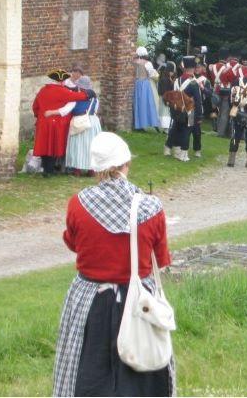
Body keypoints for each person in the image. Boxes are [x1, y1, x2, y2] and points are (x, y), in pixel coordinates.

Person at [53, 132, 174, 397]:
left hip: (90, 300)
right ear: (126, 164)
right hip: (139, 301)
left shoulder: (78, 204)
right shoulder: (151, 207)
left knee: (87, 375)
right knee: (143, 381)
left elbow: (74, 243)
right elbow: (161, 258)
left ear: (96, 169)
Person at [33, 69, 88, 177]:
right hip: (56, 123)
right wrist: (88, 93)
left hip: (43, 121)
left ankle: (46, 169)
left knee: (44, 145)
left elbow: (35, 106)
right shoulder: (63, 91)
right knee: (53, 146)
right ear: (62, 81)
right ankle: (50, 170)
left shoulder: (43, 90)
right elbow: (78, 97)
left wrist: (38, 116)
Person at [164, 56, 202, 162]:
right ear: (193, 68)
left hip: (177, 110)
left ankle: (175, 151)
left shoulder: (177, 80)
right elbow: (198, 101)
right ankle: (183, 154)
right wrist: (199, 116)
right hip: (190, 111)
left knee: (176, 128)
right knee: (187, 131)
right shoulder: (194, 83)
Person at [64, 76, 101, 176]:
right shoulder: (95, 99)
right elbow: (95, 110)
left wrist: (53, 112)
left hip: (79, 122)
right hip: (92, 122)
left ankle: (77, 170)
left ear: (79, 87)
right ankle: (91, 170)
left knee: (78, 146)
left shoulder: (75, 98)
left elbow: (66, 110)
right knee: (91, 146)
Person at [133, 47, 160, 131]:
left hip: (136, 83)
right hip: (144, 84)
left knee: (137, 104)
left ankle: (138, 124)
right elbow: (153, 74)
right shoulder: (147, 63)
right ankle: (145, 124)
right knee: (145, 104)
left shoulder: (134, 62)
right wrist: (157, 75)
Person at [156, 62, 175, 131]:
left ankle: (165, 127)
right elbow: (164, 91)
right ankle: (165, 128)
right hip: (165, 98)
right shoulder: (164, 80)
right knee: (165, 113)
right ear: (169, 71)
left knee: (165, 113)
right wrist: (166, 100)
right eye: (172, 71)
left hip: (165, 98)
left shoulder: (167, 79)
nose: (173, 73)